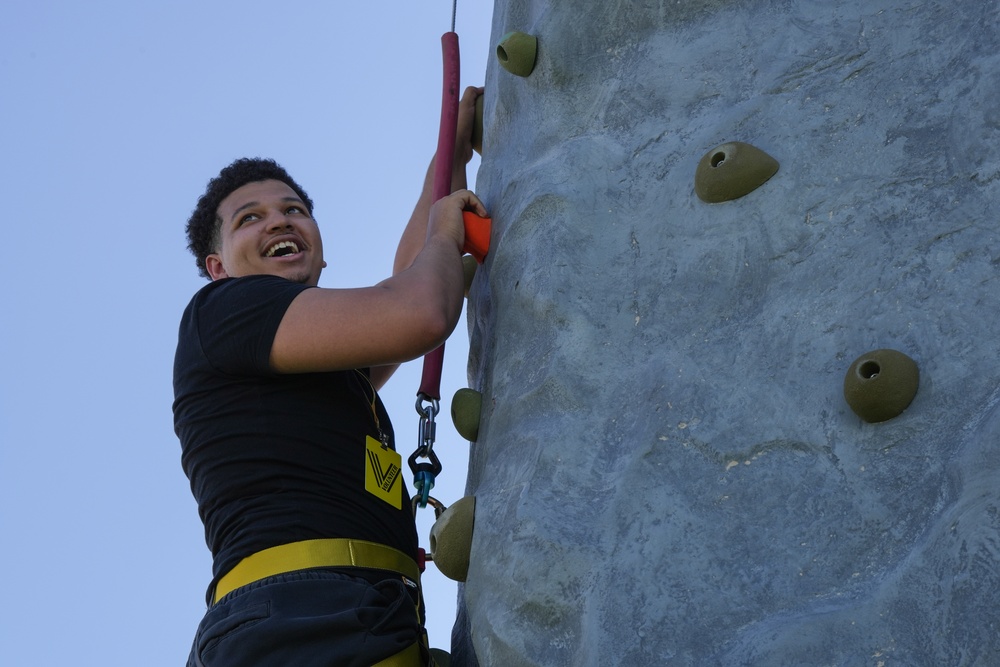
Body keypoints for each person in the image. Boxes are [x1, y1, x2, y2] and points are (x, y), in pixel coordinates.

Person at [173, 87, 486, 667]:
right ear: (218, 270)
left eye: (294, 210)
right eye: (249, 219)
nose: (279, 221)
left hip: (347, 616)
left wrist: (450, 160)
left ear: (320, 250)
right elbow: (419, 310)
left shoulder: (309, 363)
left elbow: (408, 282)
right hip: (299, 623)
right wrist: (447, 236)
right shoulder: (223, 314)